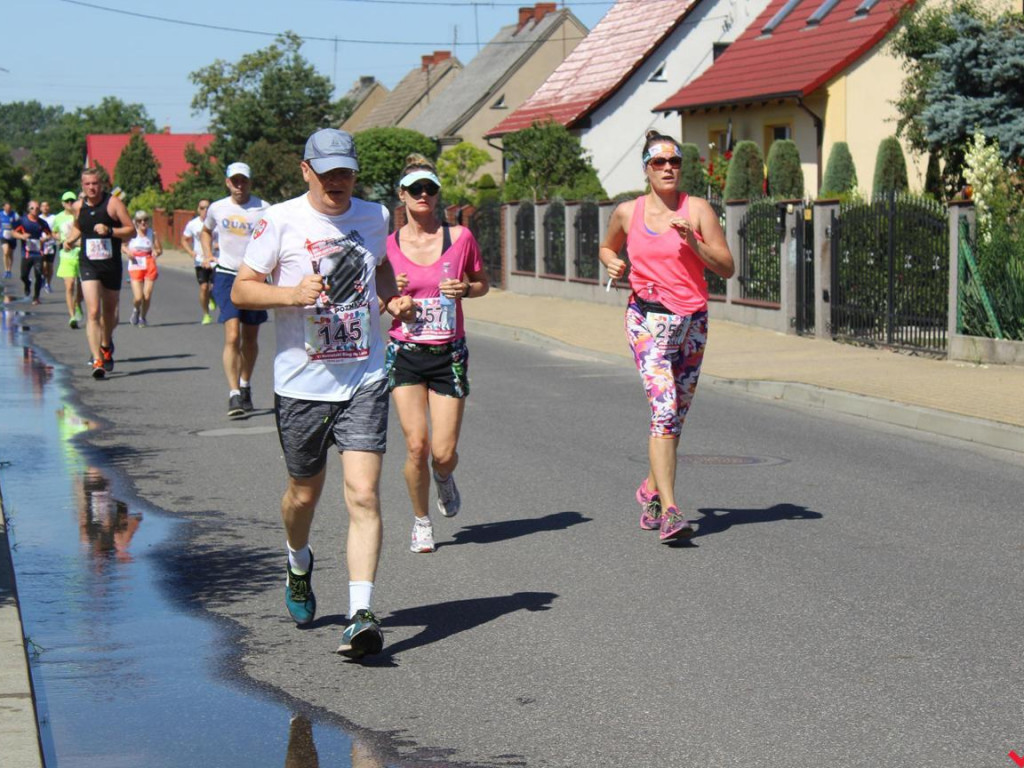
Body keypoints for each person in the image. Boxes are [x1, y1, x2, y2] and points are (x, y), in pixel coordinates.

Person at [231, 127, 415, 660]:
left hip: (365, 375)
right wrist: (290, 294)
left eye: (346, 171)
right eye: (327, 170)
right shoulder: (280, 220)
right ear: (305, 170)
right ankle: (297, 558)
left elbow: (380, 269)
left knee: (363, 493)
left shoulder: (376, 216)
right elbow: (244, 287)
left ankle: (361, 614)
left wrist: (392, 300)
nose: (338, 180)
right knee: (303, 496)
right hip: (301, 385)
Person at [598, 130, 735, 542]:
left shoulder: (697, 210)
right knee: (663, 411)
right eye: (659, 163)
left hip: (691, 324)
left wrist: (692, 241)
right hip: (646, 321)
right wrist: (613, 263)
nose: (668, 168)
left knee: (675, 417)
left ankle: (650, 490)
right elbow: (607, 248)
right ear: (646, 170)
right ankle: (671, 511)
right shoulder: (628, 212)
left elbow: (726, 267)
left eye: (674, 162)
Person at [385, 155, 489, 554]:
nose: (424, 195)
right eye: (415, 189)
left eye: (430, 188)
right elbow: (376, 299)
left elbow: (482, 283)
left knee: (443, 453)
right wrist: (394, 301)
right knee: (416, 446)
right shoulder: (389, 245)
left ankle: (444, 477)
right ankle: (421, 520)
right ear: (402, 196)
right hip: (406, 352)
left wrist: (466, 290)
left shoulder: (460, 237)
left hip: (449, 352)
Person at [203, 162, 270, 417]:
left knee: (250, 338)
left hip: (253, 276)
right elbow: (206, 230)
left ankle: (245, 384)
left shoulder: (264, 209)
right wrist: (208, 253)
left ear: (250, 182)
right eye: (235, 181)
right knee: (232, 335)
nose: (239, 186)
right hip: (227, 274)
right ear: (227, 182)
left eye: (244, 181)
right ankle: (233, 395)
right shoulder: (217, 208)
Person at [63, 167, 134, 379]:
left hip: (110, 265)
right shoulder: (78, 206)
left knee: (110, 313)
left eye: (95, 183)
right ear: (82, 186)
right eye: (87, 184)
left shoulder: (113, 203)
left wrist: (111, 231)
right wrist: (69, 240)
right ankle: (97, 360)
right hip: (88, 264)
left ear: (101, 184)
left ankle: (105, 344)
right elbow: (79, 226)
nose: (92, 188)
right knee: (93, 311)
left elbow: (131, 230)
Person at [180, 198, 215, 324]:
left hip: (215, 259)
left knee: (216, 287)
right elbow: (184, 239)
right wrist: (190, 252)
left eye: (207, 208)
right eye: (202, 208)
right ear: (198, 210)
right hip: (200, 260)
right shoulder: (193, 224)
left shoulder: (216, 223)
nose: (205, 210)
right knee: (204, 287)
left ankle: (212, 296)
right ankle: (206, 314)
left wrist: (219, 246)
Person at [125, 209, 162, 326]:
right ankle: (136, 310)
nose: (143, 223)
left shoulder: (152, 233)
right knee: (138, 296)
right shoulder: (131, 233)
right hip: (135, 263)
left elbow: (159, 250)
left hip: (149, 263)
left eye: (145, 220)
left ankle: (143, 317)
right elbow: (122, 245)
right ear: (135, 222)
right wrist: (127, 252)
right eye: (139, 221)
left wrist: (156, 252)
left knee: (147, 294)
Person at [53, 191, 84, 328]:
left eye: (72, 200)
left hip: (81, 253)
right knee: (69, 285)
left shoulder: (80, 215)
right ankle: (72, 316)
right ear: (63, 203)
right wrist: (60, 238)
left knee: (82, 288)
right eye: (67, 201)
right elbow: (54, 232)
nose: (70, 203)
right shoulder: (58, 218)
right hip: (66, 255)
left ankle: (77, 304)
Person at [12, 200, 52, 305]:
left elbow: (49, 234)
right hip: (26, 253)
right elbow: (13, 233)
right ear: (28, 209)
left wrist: (45, 239)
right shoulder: (22, 221)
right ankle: (27, 283)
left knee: (38, 274)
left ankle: (36, 297)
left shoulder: (42, 223)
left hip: (38, 253)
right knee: (23, 275)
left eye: (37, 208)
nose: (35, 210)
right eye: (32, 208)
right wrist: (22, 236)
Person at [39, 200, 57, 292]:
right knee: (44, 265)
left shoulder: (54, 218)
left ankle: (48, 284)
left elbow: (57, 229)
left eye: (47, 206)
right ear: (40, 208)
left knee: (50, 266)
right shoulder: (38, 218)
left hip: (51, 244)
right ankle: (43, 276)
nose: (45, 208)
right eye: (43, 206)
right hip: (41, 245)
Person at [1, 201, 19, 279]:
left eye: (10, 208)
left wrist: (16, 231)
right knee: (5, 252)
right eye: (7, 208)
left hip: (12, 236)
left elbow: (19, 224)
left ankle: (9, 269)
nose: (8, 209)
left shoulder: (15, 215)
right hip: (3, 236)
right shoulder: (0, 214)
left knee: (10, 254)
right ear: (3, 207)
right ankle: (6, 270)